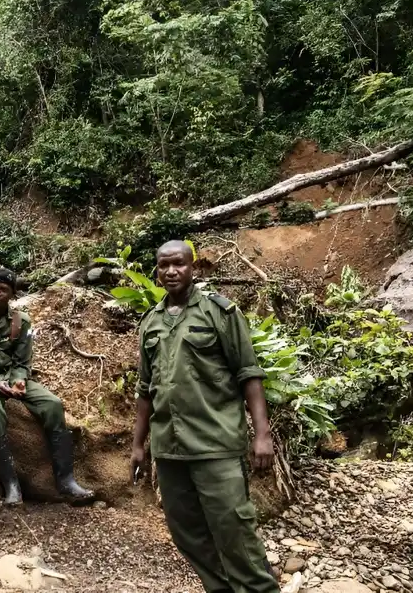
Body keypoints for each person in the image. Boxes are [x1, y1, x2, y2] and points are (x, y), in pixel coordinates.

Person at [130, 240, 279, 593]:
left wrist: (263, 434)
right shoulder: (150, 322)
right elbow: (144, 388)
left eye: (179, 264)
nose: (171, 271)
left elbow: (249, 373)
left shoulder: (220, 313)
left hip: (216, 444)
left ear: (193, 267)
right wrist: (138, 445)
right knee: (187, 534)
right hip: (170, 448)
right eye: (164, 265)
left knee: (234, 531)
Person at [0, 268, 93, 506]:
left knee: (53, 404)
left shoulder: (22, 321)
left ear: (12, 294)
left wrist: (18, 380)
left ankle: (66, 480)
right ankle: (11, 485)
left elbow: (22, 362)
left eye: (4, 290)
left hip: (10, 376)